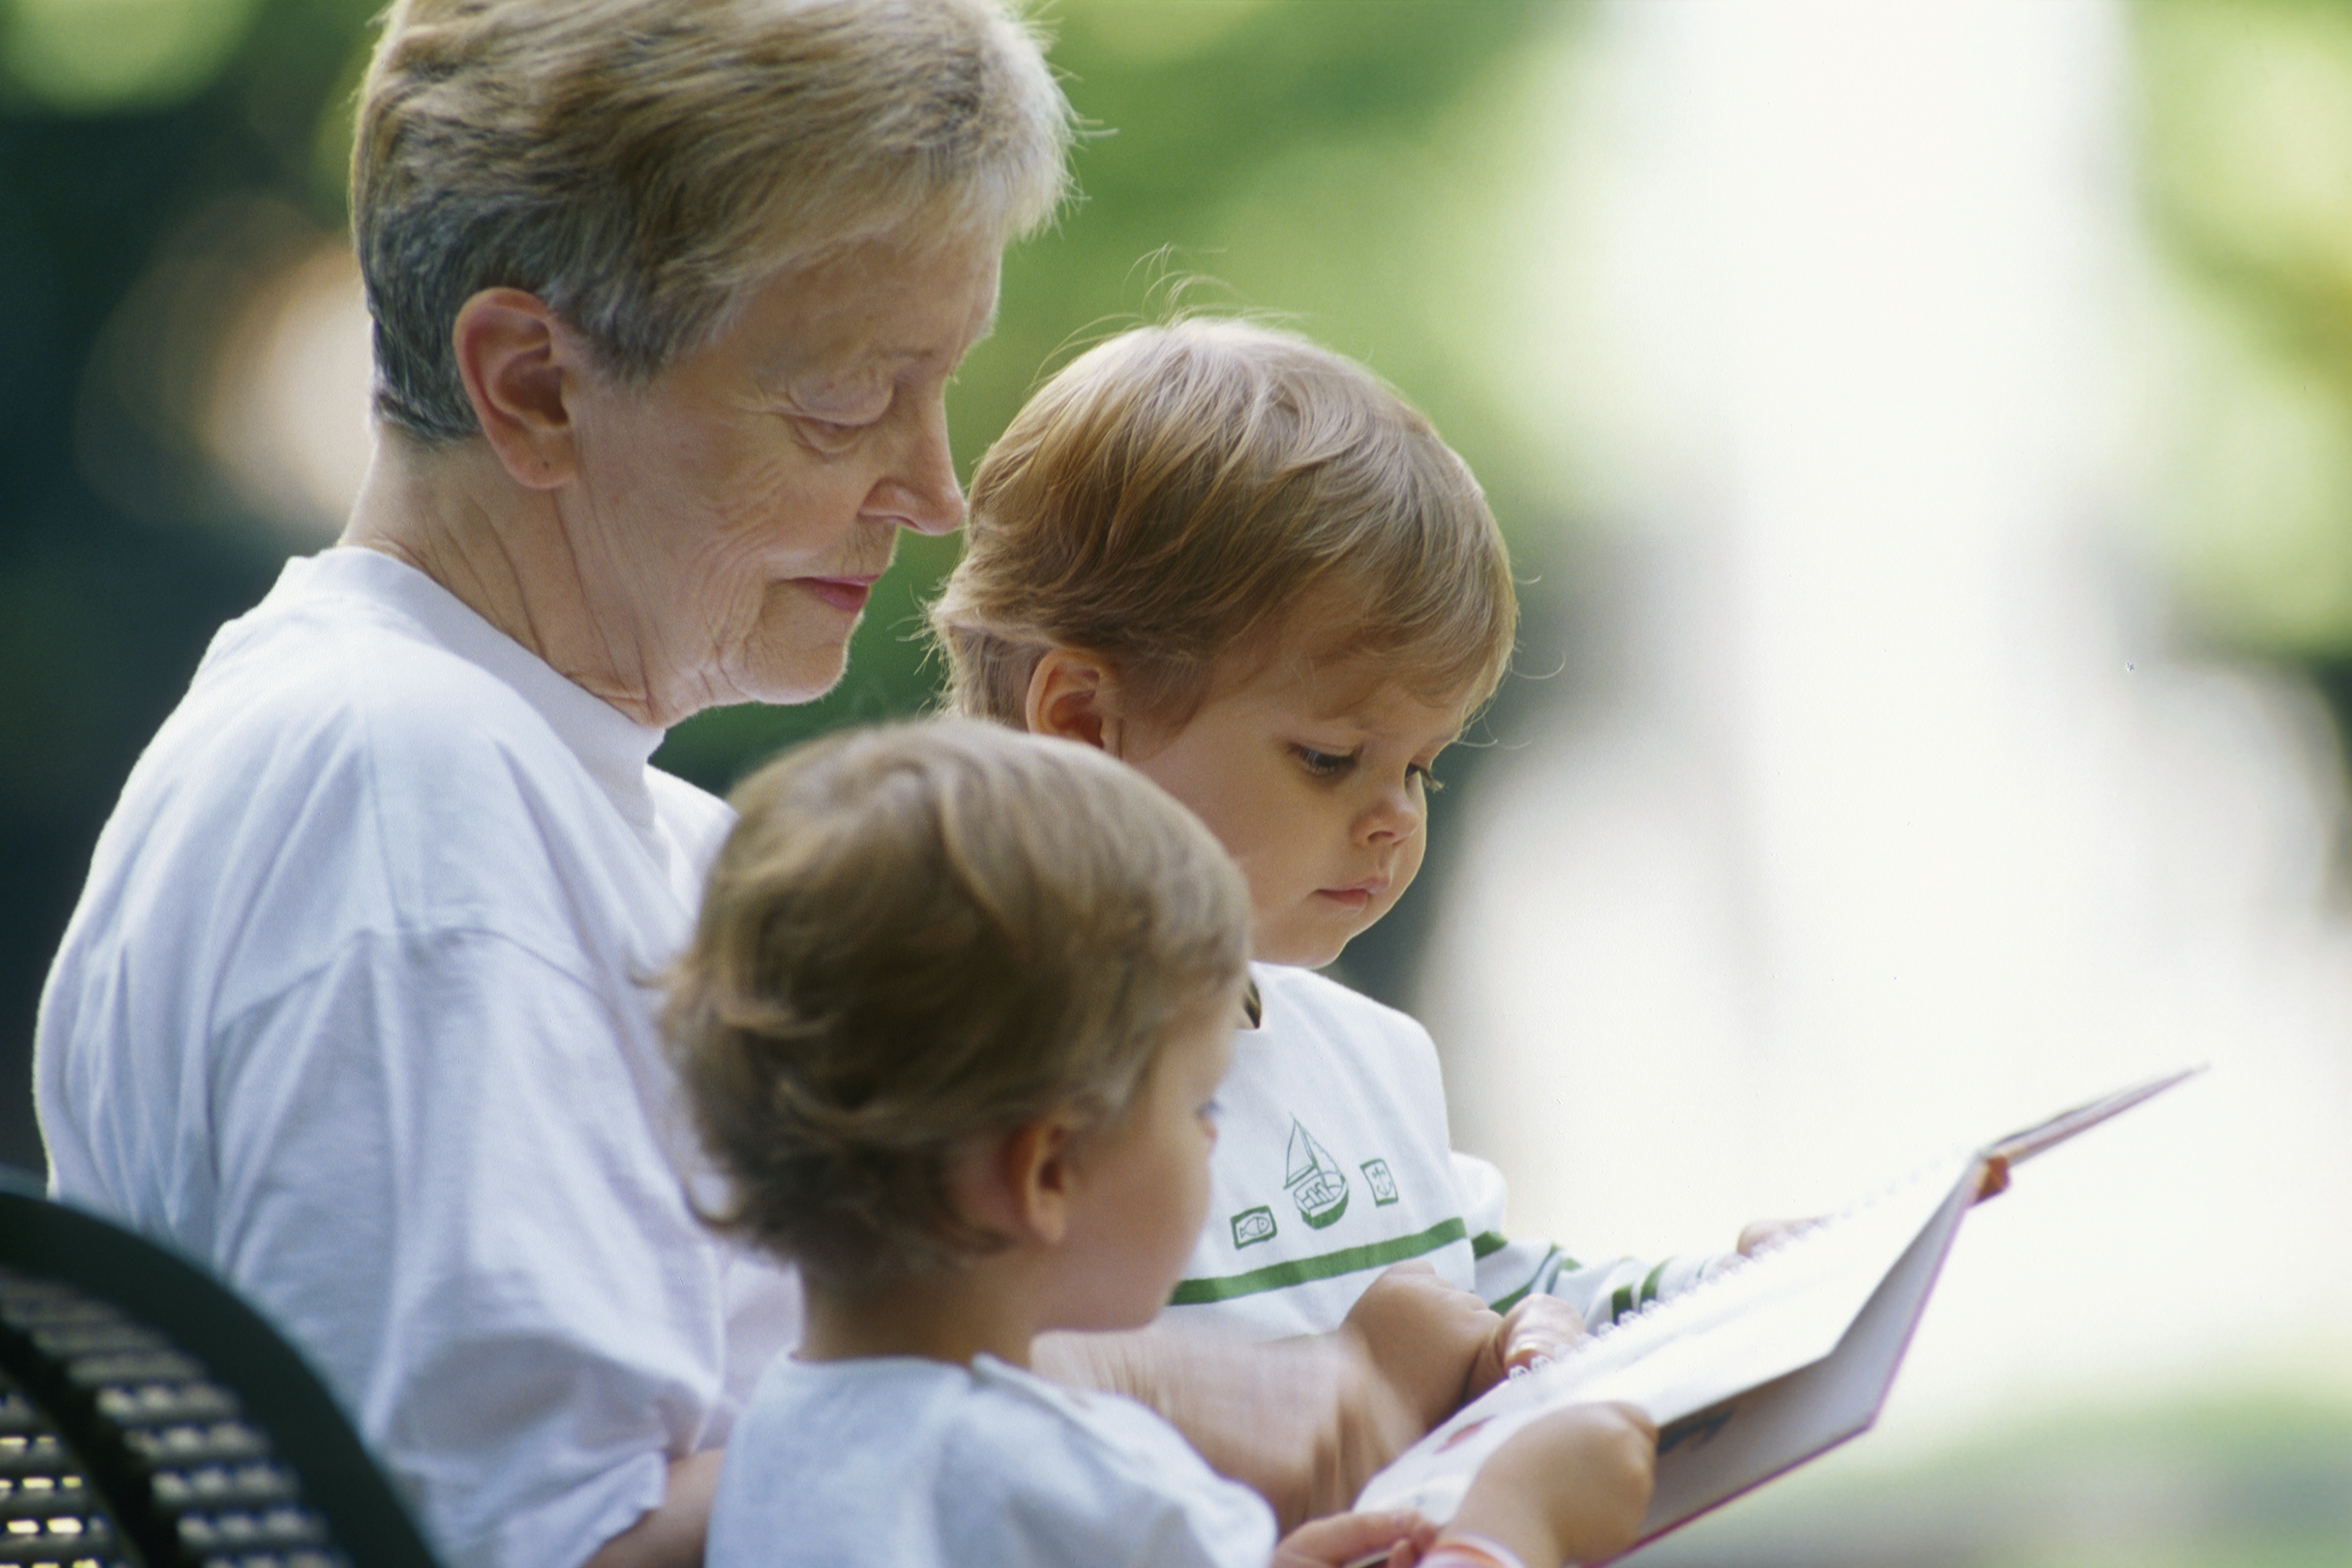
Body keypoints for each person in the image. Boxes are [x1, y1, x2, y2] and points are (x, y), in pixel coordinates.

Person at [33, 4, 1071, 1566]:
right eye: (847, 400)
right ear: (532, 386)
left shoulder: (563, 798)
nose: (934, 491)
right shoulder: (402, 802)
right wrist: (1138, 1429)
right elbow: (537, 1545)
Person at [930, 318, 1761, 1356]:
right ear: (1084, 726)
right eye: (1329, 759)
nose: (1396, 818)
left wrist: (1740, 1295)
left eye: (1420, 767)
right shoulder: (949, 1088)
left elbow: (1498, 1290)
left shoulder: (1369, 1057)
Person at [667, 719, 1659, 1568]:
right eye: (1199, 1111)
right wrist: (1509, 1528)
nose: (1214, 1142)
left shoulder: (780, 1445)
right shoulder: (1091, 1483)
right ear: (1047, 1173)